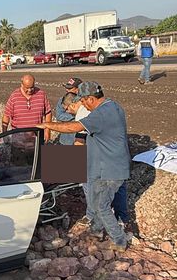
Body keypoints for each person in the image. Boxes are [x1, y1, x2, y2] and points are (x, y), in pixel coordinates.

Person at [36, 81, 131, 251]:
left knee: (102, 207)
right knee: (94, 202)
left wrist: (47, 125)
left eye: (83, 101)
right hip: (101, 166)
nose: (82, 105)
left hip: (110, 169)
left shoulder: (100, 114)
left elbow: (75, 128)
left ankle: (119, 241)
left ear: (90, 99)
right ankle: (96, 231)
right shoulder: (112, 106)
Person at [64, 95, 131, 232]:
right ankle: (121, 218)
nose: (67, 112)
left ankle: (94, 218)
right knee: (118, 188)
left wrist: (73, 166)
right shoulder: (110, 108)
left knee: (91, 188)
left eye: (66, 109)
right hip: (117, 159)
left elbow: (79, 140)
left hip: (100, 161)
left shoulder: (82, 113)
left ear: (72, 105)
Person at [2, 74, 52, 140]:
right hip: (19, 140)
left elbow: (48, 113)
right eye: (27, 88)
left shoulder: (41, 94)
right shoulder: (14, 97)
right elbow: (6, 115)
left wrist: (47, 131)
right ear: (22, 85)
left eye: (32, 87)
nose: (30, 90)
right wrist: (4, 135)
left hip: (37, 138)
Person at [55, 77, 83, 145]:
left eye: (70, 88)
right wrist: (76, 115)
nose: (67, 90)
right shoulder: (63, 100)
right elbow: (59, 116)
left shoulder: (85, 100)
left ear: (78, 89)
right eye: (66, 87)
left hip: (81, 140)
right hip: (66, 140)